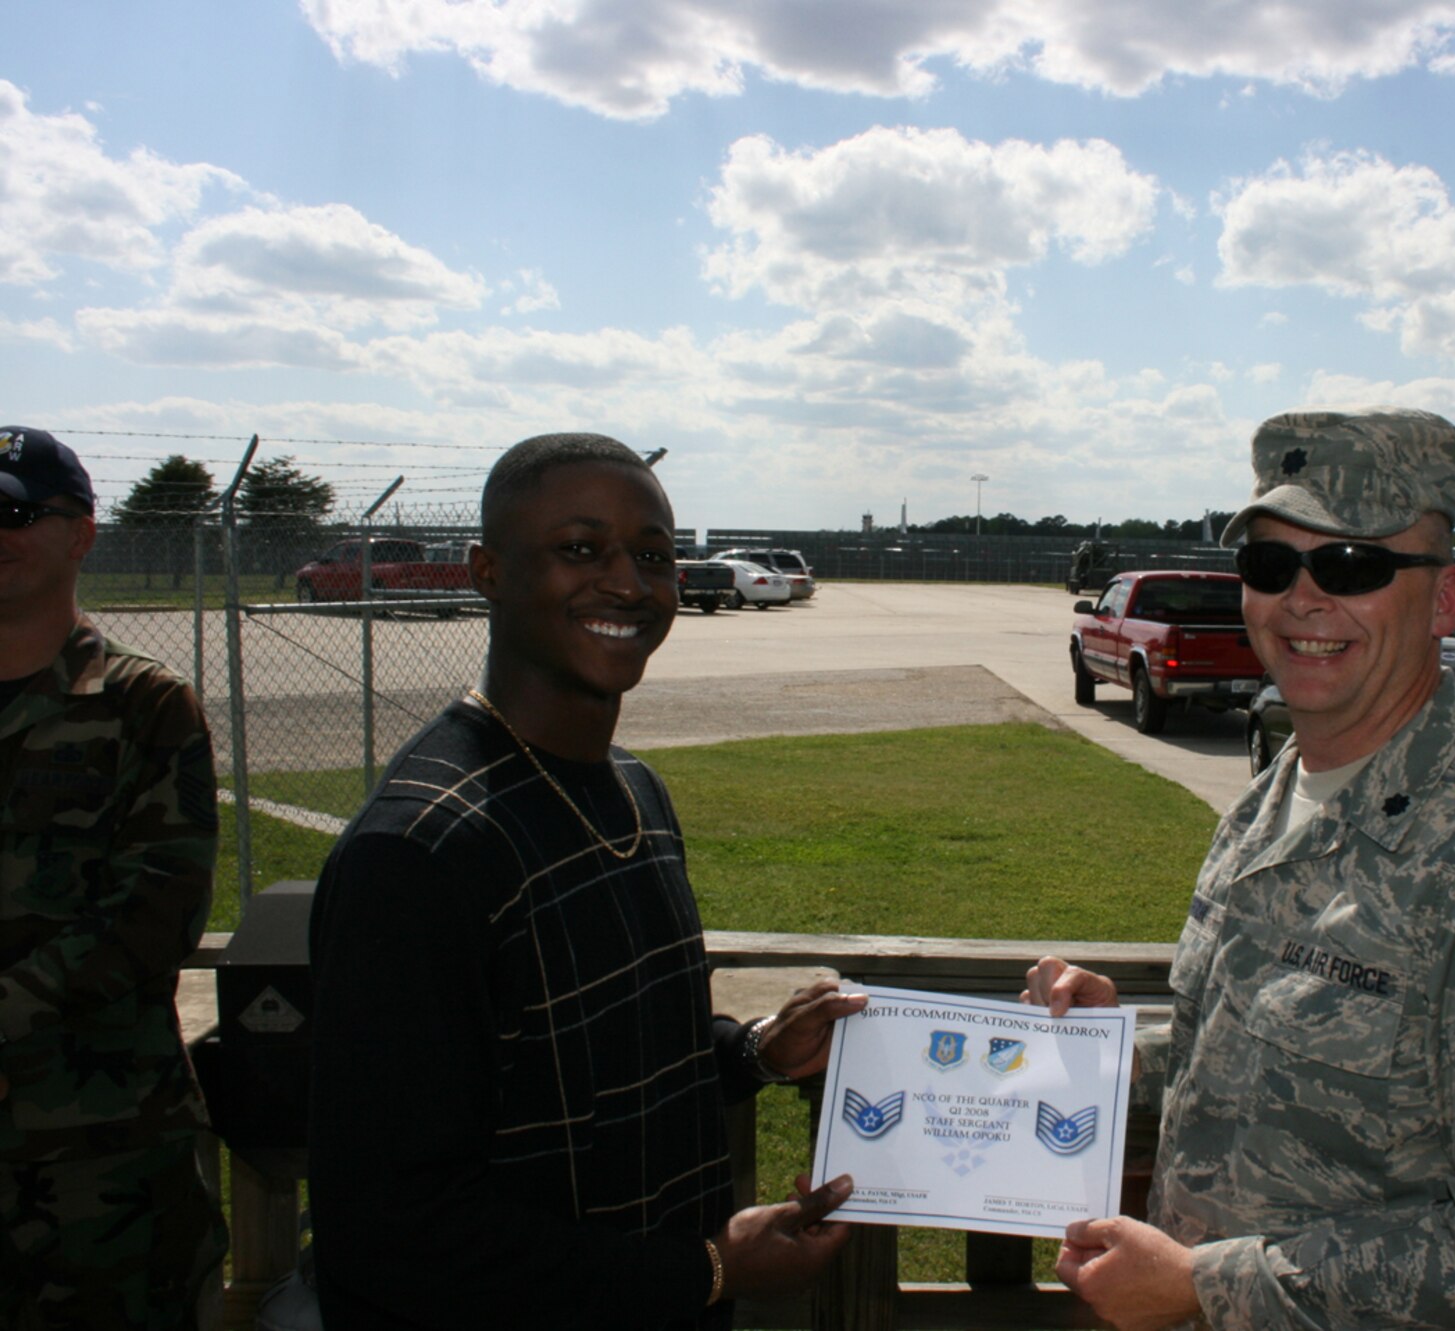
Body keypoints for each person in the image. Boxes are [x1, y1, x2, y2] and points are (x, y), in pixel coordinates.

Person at [1025, 408, 1455, 1331]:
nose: (1303, 600)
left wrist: (1206, 1285)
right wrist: (1105, 1051)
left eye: (1353, 566)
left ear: (1445, 599)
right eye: (1271, 565)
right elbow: (1254, 1065)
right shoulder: (1274, 798)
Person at [309, 433, 864, 1328]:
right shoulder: (419, 851)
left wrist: (756, 1050)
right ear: (488, 571)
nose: (628, 584)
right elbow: (391, 1229)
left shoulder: (634, 790)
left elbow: (606, 1057)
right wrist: (709, 1267)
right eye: (580, 548)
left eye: (652, 555)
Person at [0, 426, 227, 1328]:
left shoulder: (141, 705)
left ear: (81, 534)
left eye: (17, 513)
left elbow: (155, 910)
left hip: (100, 1162)